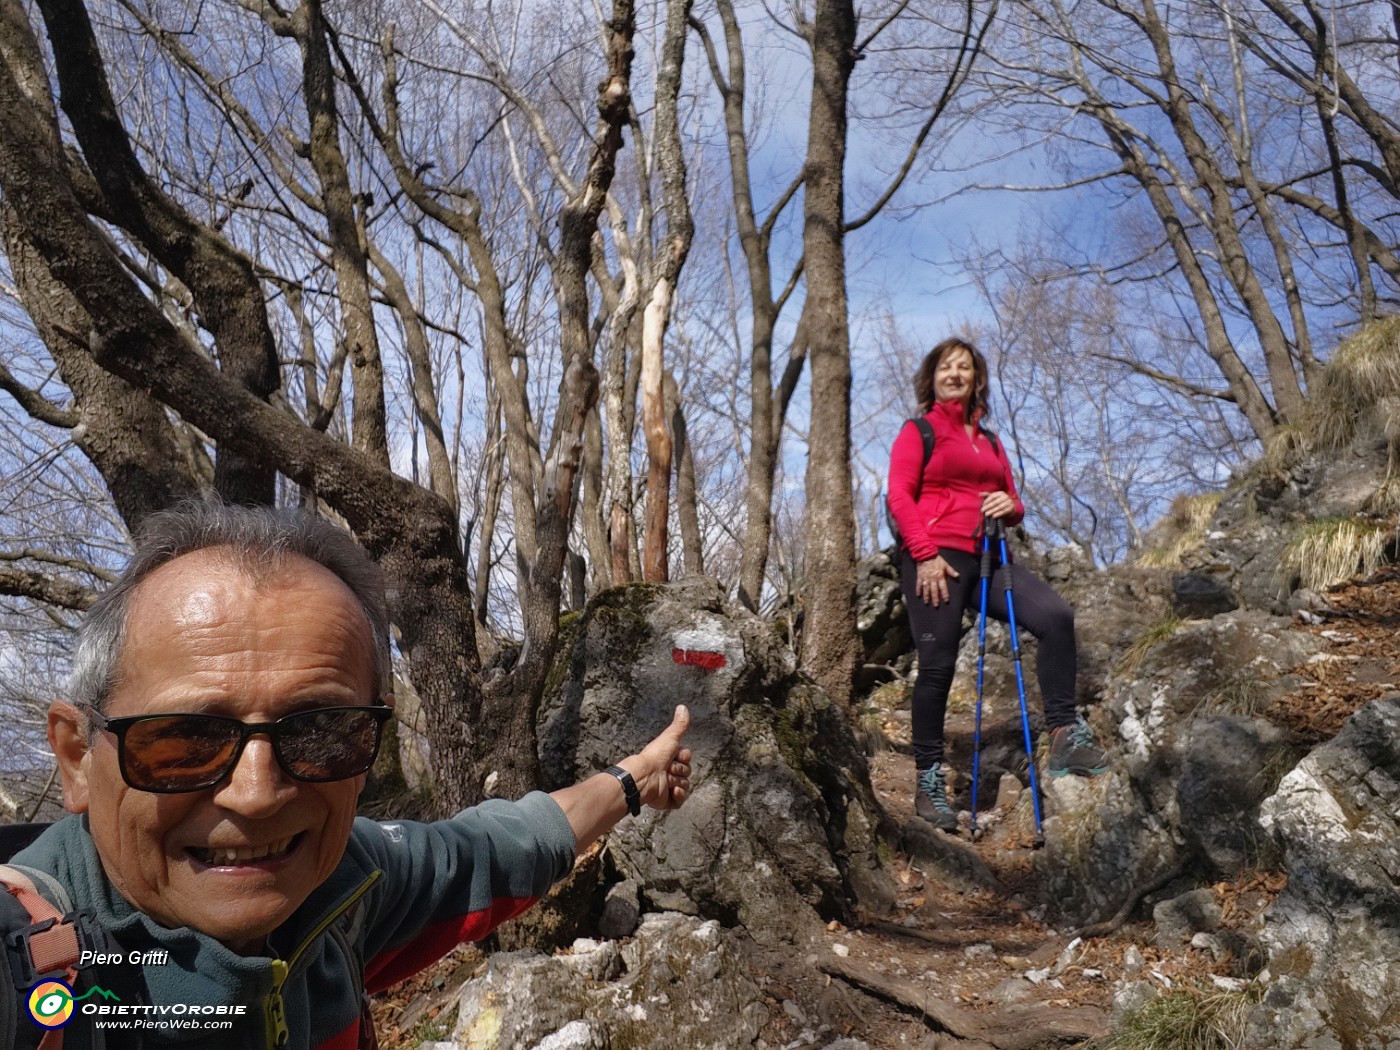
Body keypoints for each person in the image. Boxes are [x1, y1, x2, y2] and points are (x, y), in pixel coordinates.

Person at [0, 500, 692, 1048]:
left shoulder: (344, 886)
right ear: (75, 757)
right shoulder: (25, 969)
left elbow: (503, 843)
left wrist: (634, 779)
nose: (258, 791)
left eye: (321, 731)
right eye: (188, 738)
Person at [886, 337, 1106, 832]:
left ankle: (1064, 734)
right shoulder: (918, 431)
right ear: (933, 377)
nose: (956, 373)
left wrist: (1013, 506)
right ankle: (929, 781)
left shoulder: (990, 441)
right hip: (936, 558)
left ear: (976, 378)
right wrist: (923, 555)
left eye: (965, 366)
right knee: (937, 665)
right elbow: (898, 494)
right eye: (947, 366)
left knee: (1055, 617)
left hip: (990, 555)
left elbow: (1010, 497)